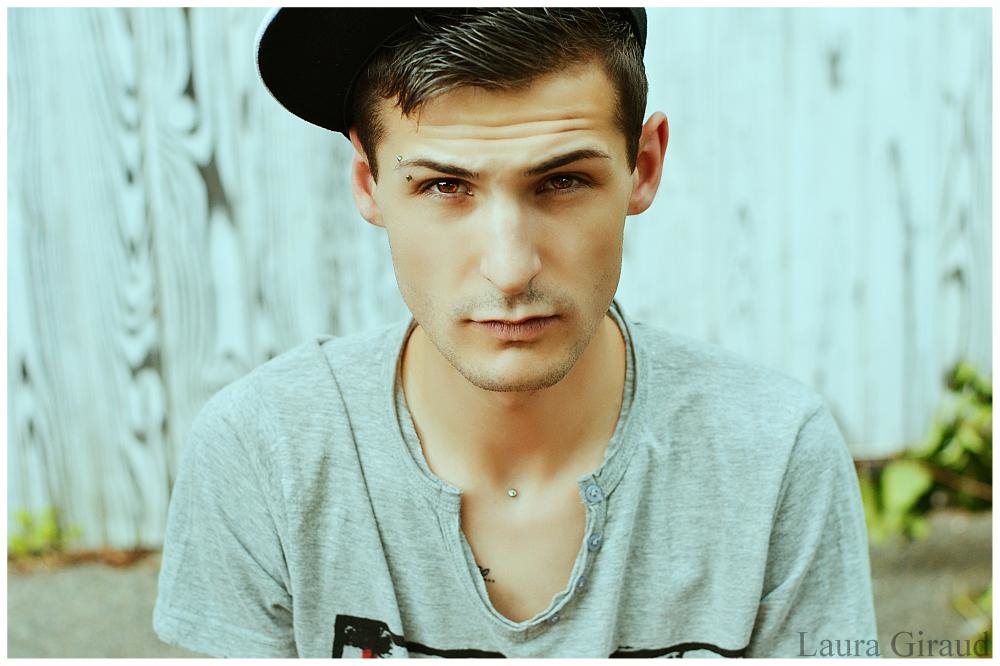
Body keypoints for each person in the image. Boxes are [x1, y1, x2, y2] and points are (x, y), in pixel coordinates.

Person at [153, 8, 878, 658]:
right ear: (369, 184)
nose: (509, 268)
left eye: (562, 181)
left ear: (644, 167)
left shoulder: (773, 456)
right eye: (444, 186)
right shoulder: (264, 455)